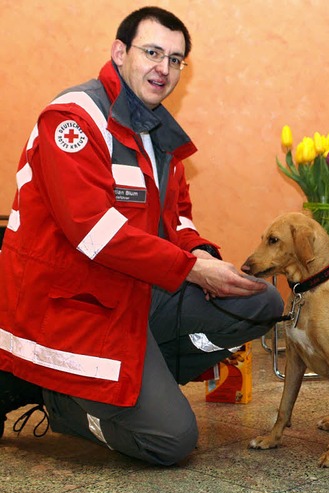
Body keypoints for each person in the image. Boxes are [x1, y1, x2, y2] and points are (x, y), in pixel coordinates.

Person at [0, 6, 283, 466]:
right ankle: (59, 400)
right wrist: (191, 270)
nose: (163, 68)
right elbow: (93, 230)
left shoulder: (160, 134)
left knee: (260, 303)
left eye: (175, 60)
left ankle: (126, 385)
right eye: (152, 52)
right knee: (170, 441)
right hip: (74, 301)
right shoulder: (73, 119)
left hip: (134, 293)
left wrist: (202, 254)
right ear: (119, 52)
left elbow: (178, 221)